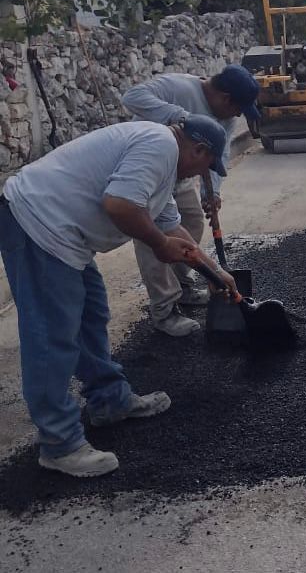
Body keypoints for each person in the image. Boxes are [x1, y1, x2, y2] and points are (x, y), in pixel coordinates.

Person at [0, 115, 238, 478]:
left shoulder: (161, 167)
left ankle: (110, 401)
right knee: (52, 336)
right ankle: (59, 445)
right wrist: (159, 246)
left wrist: (216, 274)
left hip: (66, 237)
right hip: (38, 223)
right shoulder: (159, 145)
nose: (200, 175)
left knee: (92, 314)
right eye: (207, 166)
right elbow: (120, 206)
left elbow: (171, 226)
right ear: (198, 149)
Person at [122, 65, 260, 337]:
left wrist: (213, 193)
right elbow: (131, 97)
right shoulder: (178, 87)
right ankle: (165, 309)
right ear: (225, 98)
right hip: (146, 173)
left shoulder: (227, 117)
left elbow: (218, 158)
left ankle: (183, 285)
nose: (239, 115)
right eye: (238, 108)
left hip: (182, 173)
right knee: (156, 239)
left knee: (192, 223)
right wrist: (182, 117)